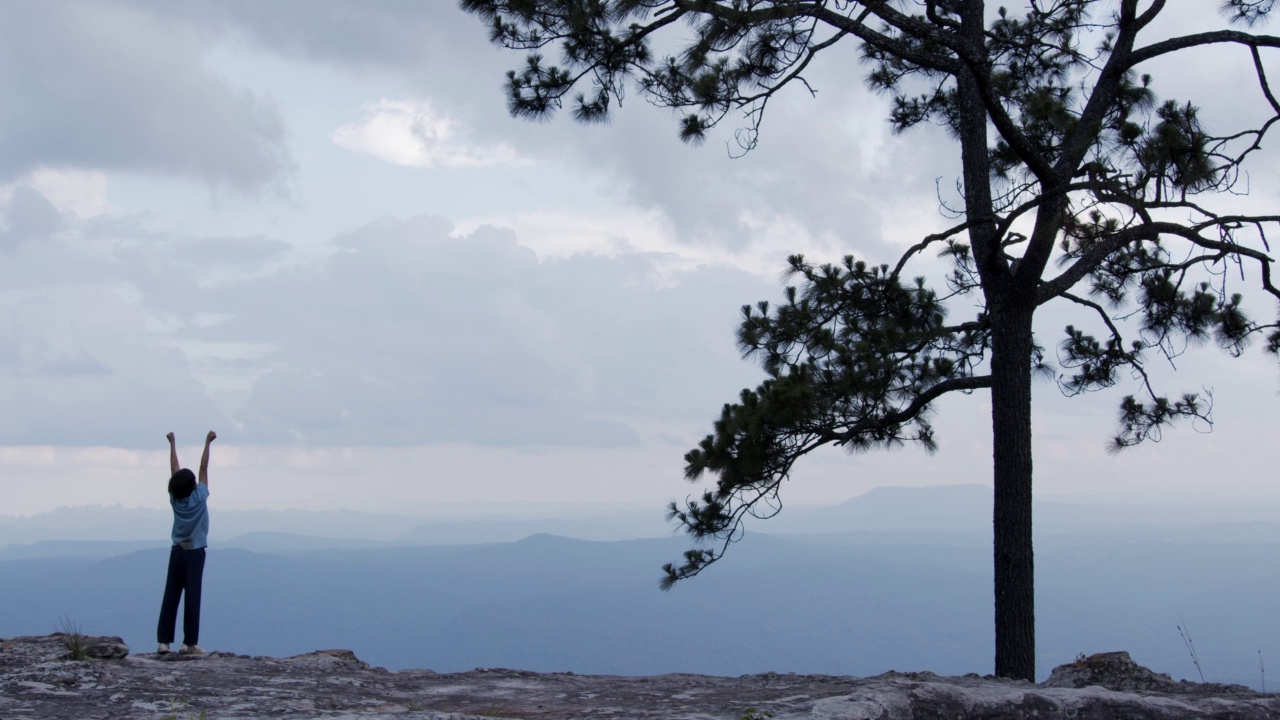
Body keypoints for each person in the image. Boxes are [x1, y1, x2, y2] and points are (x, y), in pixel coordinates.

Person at [156, 430, 215, 655]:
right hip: (196, 553)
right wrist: (208, 442)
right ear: (193, 487)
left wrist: (172, 443)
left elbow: (174, 470)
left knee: (171, 594)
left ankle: (163, 642)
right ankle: (188, 644)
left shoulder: (175, 500)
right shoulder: (199, 497)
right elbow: (203, 469)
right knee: (192, 597)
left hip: (177, 552)